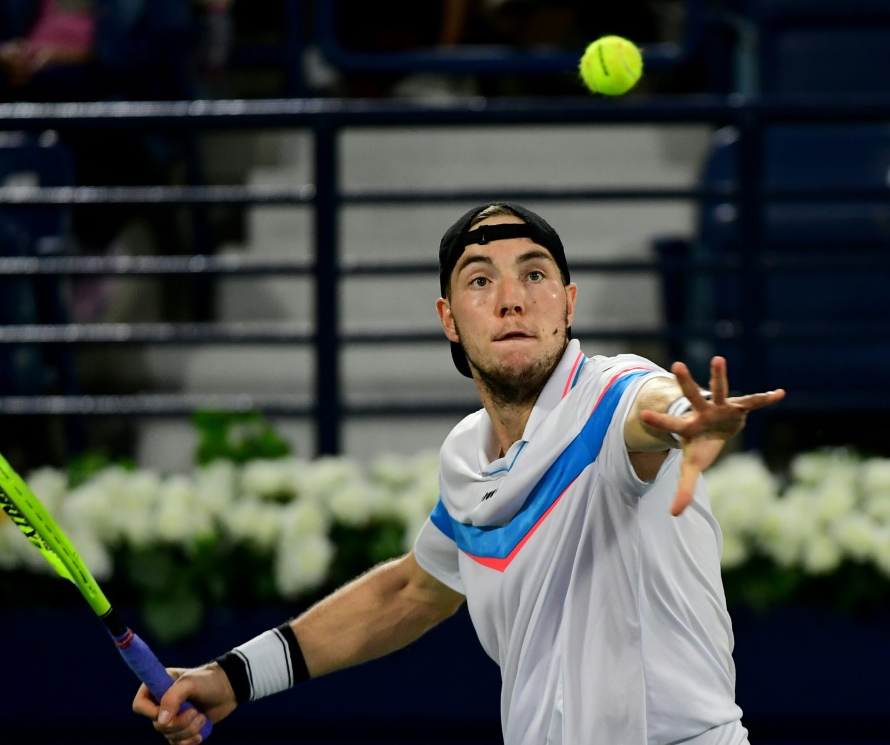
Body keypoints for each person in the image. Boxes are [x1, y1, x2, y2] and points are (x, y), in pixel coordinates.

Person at [132, 201, 786, 744]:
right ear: (448, 318)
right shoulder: (469, 459)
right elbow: (411, 592)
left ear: (569, 305)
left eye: (535, 275)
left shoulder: (612, 395)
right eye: (480, 280)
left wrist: (692, 420)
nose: (510, 301)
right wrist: (233, 676)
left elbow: (651, 411)